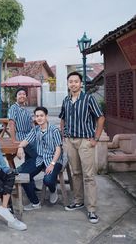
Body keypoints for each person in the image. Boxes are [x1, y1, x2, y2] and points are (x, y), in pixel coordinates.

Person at [59, 71, 105, 224]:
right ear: (68, 84)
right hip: (71, 141)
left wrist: (96, 139)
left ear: (81, 83)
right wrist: (63, 136)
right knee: (76, 173)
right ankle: (78, 201)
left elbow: (100, 117)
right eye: (70, 81)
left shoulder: (88, 99)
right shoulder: (66, 100)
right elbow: (63, 119)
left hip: (86, 141)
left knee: (89, 176)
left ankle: (91, 209)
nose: (73, 84)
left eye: (76, 81)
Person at [17, 106, 63, 210]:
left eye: (41, 115)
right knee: (23, 176)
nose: (39, 118)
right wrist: (20, 146)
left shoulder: (54, 130)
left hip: (54, 159)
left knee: (48, 180)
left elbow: (58, 149)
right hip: (40, 159)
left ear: (46, 116)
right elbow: (26, 140)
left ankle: (52, 190)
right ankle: (35, 203)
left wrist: (52, 164)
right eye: (37, 116)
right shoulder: (36, 130)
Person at [8, 87, 37, 160]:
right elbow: (11, 124)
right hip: (22, 137)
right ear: (16, 97)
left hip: (30, 137)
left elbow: (32, 123)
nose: (22, 96)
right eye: (19, 94)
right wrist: (14, 140)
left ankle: (29, 171)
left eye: (24, 94)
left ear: (26, 97)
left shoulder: (26, 108)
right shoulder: (13, 108)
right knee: (36, 156)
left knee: (30, 158)